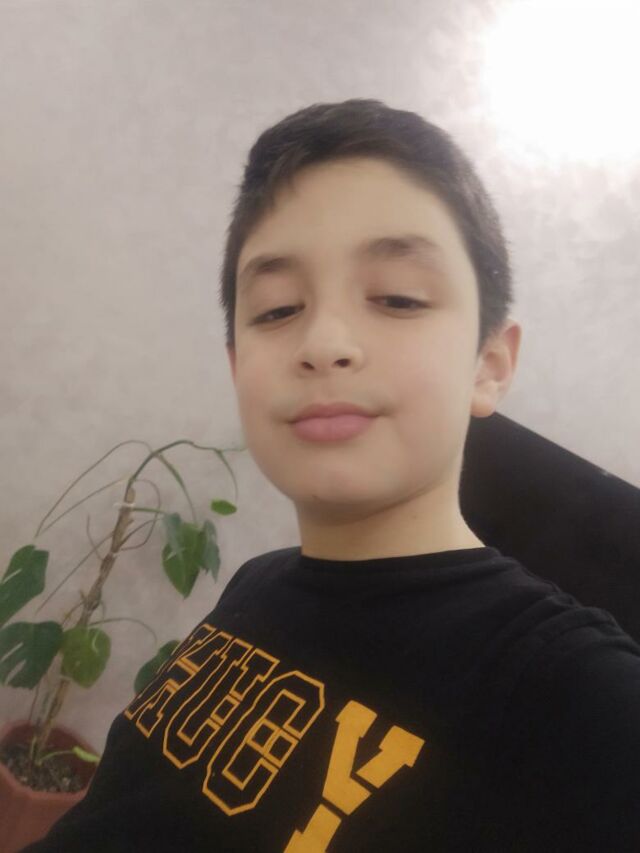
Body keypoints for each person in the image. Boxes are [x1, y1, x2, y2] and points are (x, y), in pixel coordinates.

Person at [23, 98, 640, 852]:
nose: (323, 342)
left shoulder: (576, 699)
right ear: (237, 366)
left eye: (398, 298)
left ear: (489, 364)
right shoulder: (258, 582)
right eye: (277, 309)